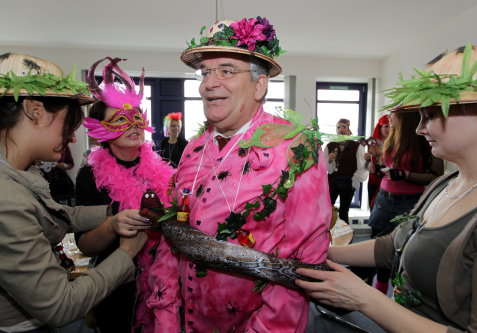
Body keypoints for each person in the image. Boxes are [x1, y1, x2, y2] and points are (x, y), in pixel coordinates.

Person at [296, 44, 477, 333]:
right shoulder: (444, 185)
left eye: (431, 114)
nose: (419, 129)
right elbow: (392, 246)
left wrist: (366, 299)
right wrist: (316, 252)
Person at [149, 17, 331, 332]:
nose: (209, 83)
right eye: (205, 72)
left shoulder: (296, 150)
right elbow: (172, 235)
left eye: (227, 71)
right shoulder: (193, 148)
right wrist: (166, 319)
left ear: (259, 85)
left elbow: (301, 268)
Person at [0, 53, 147, 332]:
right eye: (69, 123)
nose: (73, 138)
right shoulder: (6, 198)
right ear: (36, 111)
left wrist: (114, 214)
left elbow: (59, 214)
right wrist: (127, 253)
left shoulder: (21, 173)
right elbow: (60, 306)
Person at [75, 57, 178, 333]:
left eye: (136, 117)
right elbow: (85, 245)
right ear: (100, 130)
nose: (132, 125)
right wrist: (113, 224)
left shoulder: (164, 169)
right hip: (118, 288)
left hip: (165, 280)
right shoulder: (89, 175)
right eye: (120, 119)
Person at [367, 109, 443, 294]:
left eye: (393, 113)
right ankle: (377, 289)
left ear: (406, 118)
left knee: (402, 249)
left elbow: (436, 175)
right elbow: (389, 167)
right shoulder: (392, 138)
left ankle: (396, 292)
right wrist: (378, 169)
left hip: (408, 203)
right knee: (377, 247)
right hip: (383, 200)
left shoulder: (425, 142)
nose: (389, 117)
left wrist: (406, 175)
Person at [324, 118, 368, 223]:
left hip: (349, 182)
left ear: (349, 130)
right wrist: (330, 160)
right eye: (338, 127)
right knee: (327, 209)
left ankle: (345, 238)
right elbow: (326, 169)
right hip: (332, 181)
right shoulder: (329, 146)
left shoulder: (357, 146)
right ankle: (325, 236)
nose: (340, 129)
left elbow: (362, 167)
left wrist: (355, 181)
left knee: (344, 211)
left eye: (343, 127)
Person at [366, 114, 390, 209]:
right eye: (386, 126)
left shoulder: (396, 143)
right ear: (380, 128)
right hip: (374, 179)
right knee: (373, 207)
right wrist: (367, 163)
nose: (388, 129)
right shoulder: (373, 143)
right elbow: (368, 162)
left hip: (389, 180)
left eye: (390, 126)